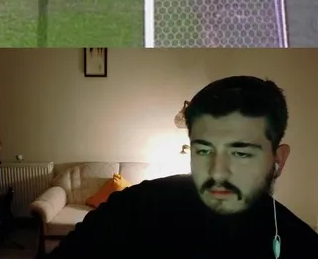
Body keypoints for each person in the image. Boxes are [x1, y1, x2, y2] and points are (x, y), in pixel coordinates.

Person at [48, 75, 318, 257]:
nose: (217, 171)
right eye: (204, 150)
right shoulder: (133, 207)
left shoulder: (301, 244)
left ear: (278, 160)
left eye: (240, 153)